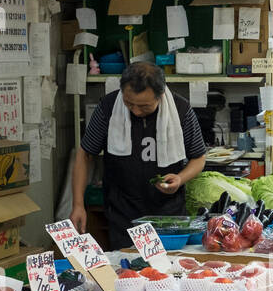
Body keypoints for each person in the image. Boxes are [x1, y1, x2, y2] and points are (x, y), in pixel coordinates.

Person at [70, 61, 207, 247]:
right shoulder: (108, 108)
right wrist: (78, 204)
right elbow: (84, 154)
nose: (135, 111)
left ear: (160, 96)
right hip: (123, 212)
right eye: (129, 103)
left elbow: (198, 157)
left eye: (144, 107)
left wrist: (180, 179)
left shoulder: (181, 110)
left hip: (168, 215)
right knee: (127, 268)